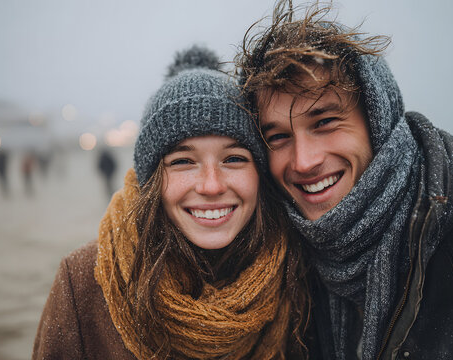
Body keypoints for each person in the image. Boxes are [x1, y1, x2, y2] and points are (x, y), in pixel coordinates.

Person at [236, 1, 453, 359]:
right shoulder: (285, 261)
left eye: (325, 122)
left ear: (377, 121)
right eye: (278, 137)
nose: (304, 161)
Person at [33, 46, 310, 359]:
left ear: (259, 173)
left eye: (233, 158)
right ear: (151, 181)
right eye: (183, 161)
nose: (211, 185)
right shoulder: (84, 282)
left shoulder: (297, 270)